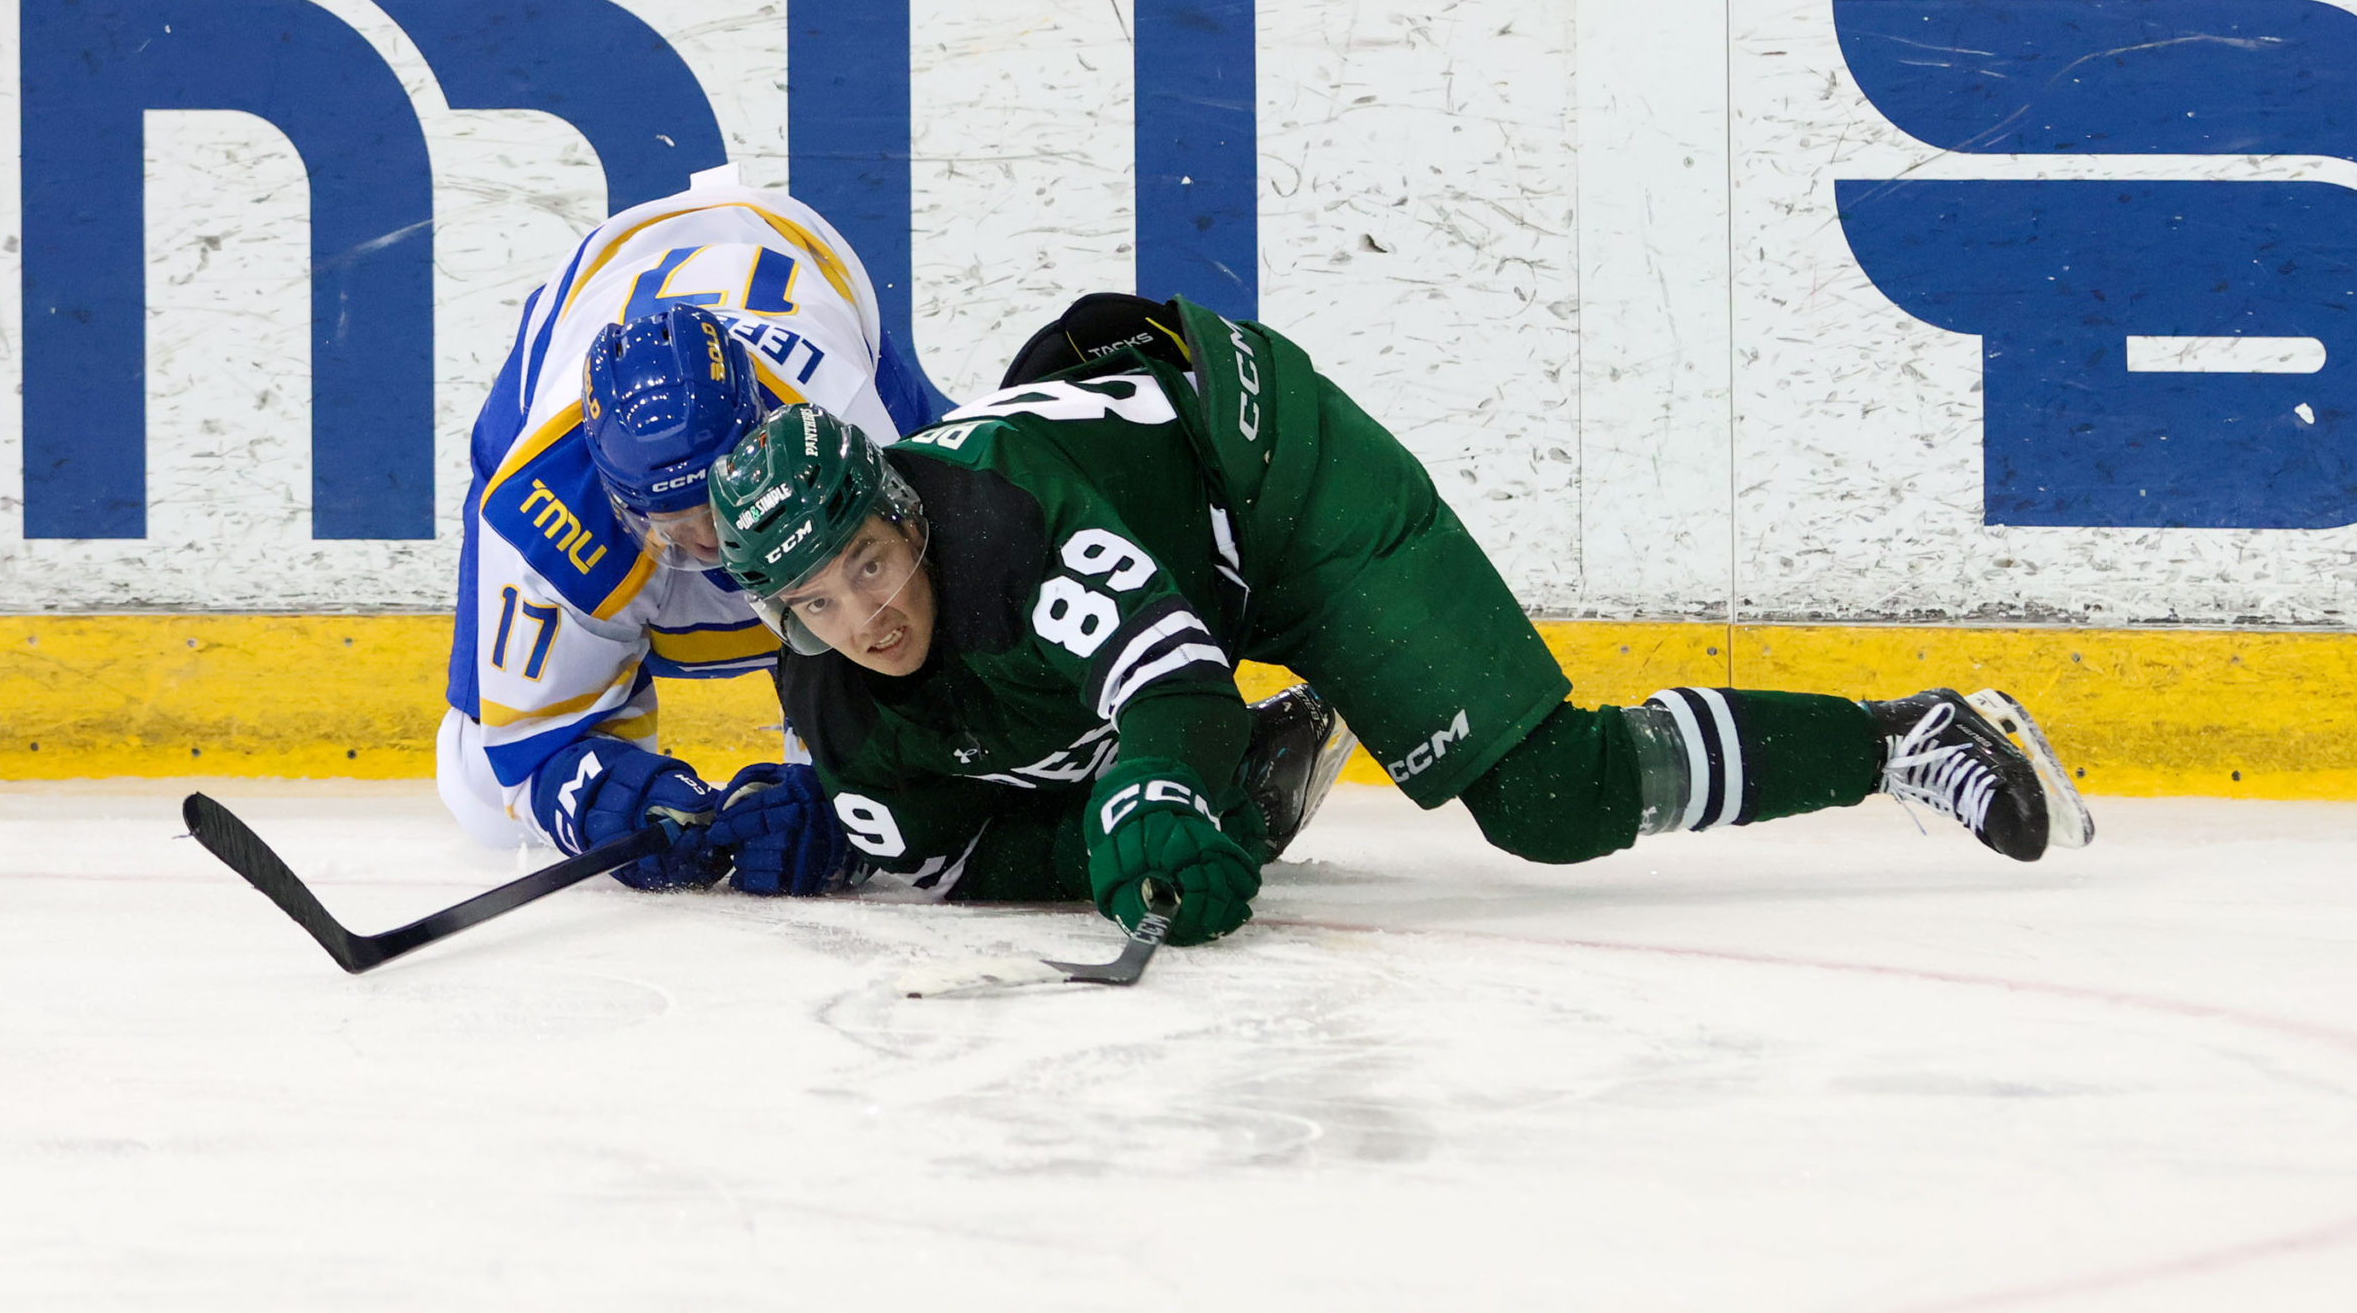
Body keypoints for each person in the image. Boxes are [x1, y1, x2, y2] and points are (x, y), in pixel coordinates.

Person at [705, 293, 2096, 942]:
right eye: (820, 600)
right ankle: (1257, 777)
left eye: (875, 564)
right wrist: (1125, 834)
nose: (864, 615)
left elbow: (1169, 684)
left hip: (1272, 482)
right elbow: (948, 861)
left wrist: (1158, 795)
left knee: (1555, 797)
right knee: (1042, 749)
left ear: (910, 515)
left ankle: (1904, 734)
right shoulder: (830, 685)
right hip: (1158, 528)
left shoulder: (1012, 530)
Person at [434, 165, 937, 884]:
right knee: (479, 797)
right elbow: (527, 750)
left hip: (803, 261)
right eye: (673, 524)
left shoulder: (849, 432)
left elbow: (940, 680)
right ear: (612, 494)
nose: (707, 545)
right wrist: (610, 798)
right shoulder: (547, 496)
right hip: (598, 281)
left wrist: (846, 798)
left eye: (719, 509)